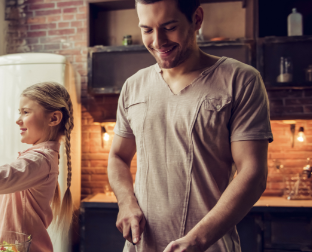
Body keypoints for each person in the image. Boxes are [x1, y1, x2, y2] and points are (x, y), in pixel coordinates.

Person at [107, 0, 273, 251]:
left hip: (210, 246)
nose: (157, 41)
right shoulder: (133, 86)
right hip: (142, 246)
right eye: (147, 30)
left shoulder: (241, 80)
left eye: (169, 27)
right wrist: (125, 202)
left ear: (196, 19)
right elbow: (118, 156)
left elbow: (253, 173)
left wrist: (197, 240)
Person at [0, 82, 74, 252]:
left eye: (26, 112)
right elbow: (21, 217)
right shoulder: (38, 160)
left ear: (53, 118)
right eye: (19, 112)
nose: (18, 120)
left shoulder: (39, 160)